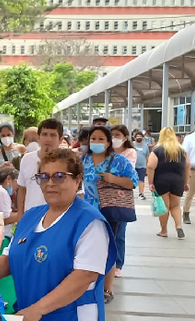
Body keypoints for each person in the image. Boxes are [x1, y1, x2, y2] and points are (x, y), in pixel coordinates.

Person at [0, 149, 116, 321]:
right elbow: (11, 258)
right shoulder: (31, 216)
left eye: (59, 176)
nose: (50, 183)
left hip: (70, 315)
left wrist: (38, 309)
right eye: (44, 177)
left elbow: (84, 277)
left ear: (77, 180)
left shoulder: (90, 222)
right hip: (32, 313)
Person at [81, 126, 138, 303]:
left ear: (108, 142)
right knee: (86, 249)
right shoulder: (83, 160)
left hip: (109, 212)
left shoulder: (119, 161)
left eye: (101, 139)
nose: (96, 142)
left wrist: (113, 179)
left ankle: (107, 288)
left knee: (108, 250)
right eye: (93, 139)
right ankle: (85, 285)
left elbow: (133, 182)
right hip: (85, 212)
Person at [147, 127, 190, 239]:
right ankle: (178, 225)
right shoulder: (182, 151)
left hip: (161, 181)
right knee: (175, 206)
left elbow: (151, 166)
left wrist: (150, 182)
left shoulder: (157, 150)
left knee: (164, 207)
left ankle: (164, 230)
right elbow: (187, 167)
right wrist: (186, 182)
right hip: (178, 181)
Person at [17, 119, 63, 217]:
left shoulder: (68, 162)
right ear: (38, 138)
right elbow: (22, 190)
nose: (48, 139)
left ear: (60, 139)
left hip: (58, 218)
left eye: (53, 135)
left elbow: (79, 194)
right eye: (44, 134)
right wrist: (20, 218)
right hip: (31, 217)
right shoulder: (27, 159)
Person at [109, 124, 136, 278]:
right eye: (112, 135)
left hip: (120, 198)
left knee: (119, 232)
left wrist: (112, 177)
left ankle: (118, 264)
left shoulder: (130, 153)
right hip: (104, 198)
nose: (114, 138)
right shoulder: (106, 152)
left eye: (118, 135)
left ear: (125, 137)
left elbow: (128, 175)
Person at [133, 132, 150, 200]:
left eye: (140, 136)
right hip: (133, 165)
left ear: (143, 138)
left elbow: (147, 156)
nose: (139, 138)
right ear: (135, 137)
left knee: (141, 180)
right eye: (137, 136)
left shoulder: (145, 146)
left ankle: (141, 193)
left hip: (142, 166)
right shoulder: (132, 145)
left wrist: (147, 166)